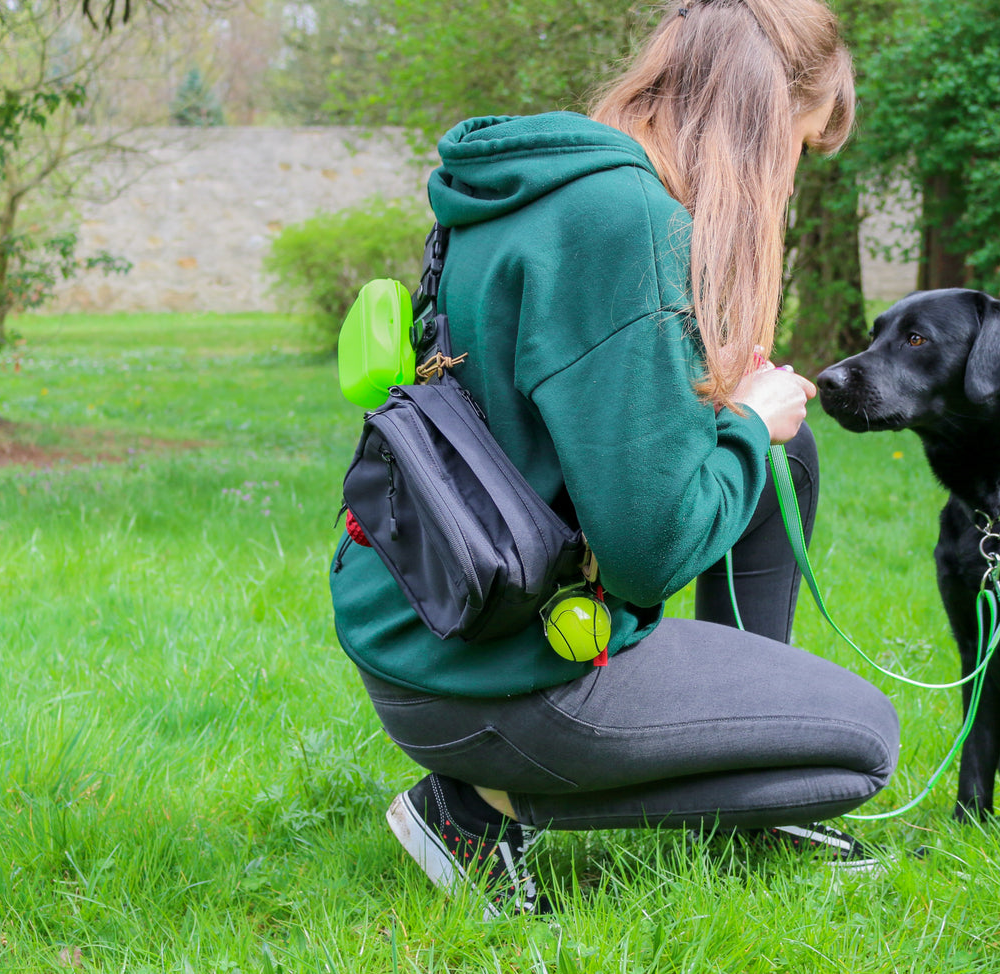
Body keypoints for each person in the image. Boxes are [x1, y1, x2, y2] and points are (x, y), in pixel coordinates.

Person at [329, 0, 899, 917]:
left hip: (426, 615)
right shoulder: (627, 223)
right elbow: (648, 551)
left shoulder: (541, 184)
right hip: (499, 677)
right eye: (798, 150)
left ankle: (714, 738)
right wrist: (745, 424)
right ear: (759, 123)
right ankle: (475, 809)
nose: (793, 184)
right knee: (862, 740)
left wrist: (717, 403)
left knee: (789, 464)